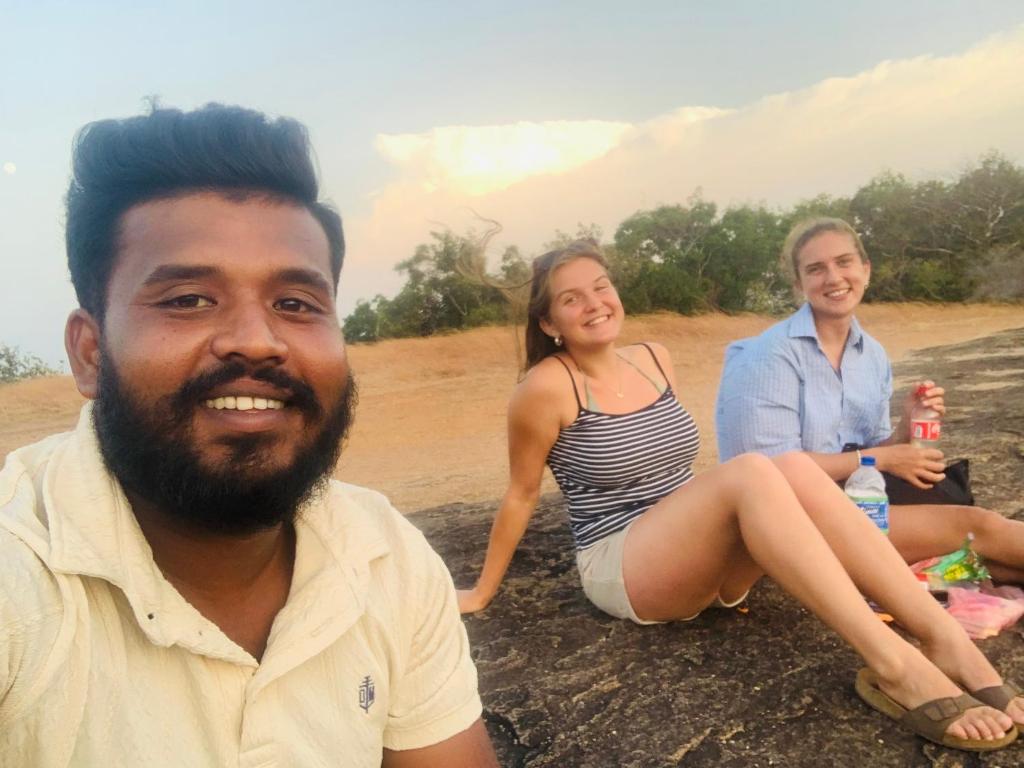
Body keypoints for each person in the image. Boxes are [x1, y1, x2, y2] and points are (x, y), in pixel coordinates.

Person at [0, 104, 497, 768]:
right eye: (187, 299)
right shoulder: (19, 585)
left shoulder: (388, 559)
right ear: (90, 353)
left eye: (295, 304)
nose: (257, 341)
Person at [457, 239, 1023, 752]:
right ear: (551, 322)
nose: (594, 304)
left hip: (702, 560)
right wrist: (483, 592)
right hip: (626, 564)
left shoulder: (654, 357)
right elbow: (521, 494)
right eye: (572, 299)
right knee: (755, 470)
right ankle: (894, 665)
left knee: (789, 469)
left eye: (601, 287)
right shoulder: (545, 388)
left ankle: (943, 637)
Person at [715, 217, 1024, 584]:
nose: (833, 278)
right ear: (799, 285)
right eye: (816, 269)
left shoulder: (871, 354)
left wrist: (903, 430)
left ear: (865, 269)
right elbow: (769, 472)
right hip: (793, 518)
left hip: (859, 499)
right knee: (978, 527)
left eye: (844, 262)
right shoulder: (771, 356)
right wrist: (883, 457)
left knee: (995, 564)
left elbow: (871, 455)